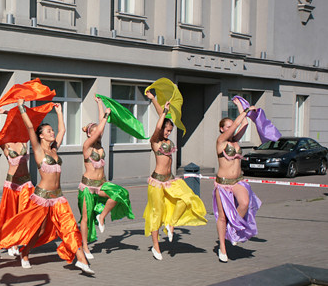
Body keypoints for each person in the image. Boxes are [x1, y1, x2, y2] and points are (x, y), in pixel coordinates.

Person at [0, 99, 93, 274]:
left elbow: (63, 130)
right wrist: (22, 108)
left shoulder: (55, 149)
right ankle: (24, 253)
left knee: (69, 226)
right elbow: (30, 128)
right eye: (48, 131)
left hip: (58, 197)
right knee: (38, 230)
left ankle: (81, 260)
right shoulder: (38, 150)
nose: (52, 132)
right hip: (41, 197)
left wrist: (60, 113)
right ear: (41, 135)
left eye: (52, 130)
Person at [143, 90, 206, 260]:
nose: (169, 133)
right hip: (157, 182)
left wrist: (155, 100)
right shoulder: (155, 141)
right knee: (156, 213)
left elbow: (162, 120)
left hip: (171, 180)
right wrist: (163, 112)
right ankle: (156, 247)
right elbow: (158, 125)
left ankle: (171, 223)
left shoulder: (168, 141)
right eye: (167, 130)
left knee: (187, 199)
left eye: (170, 131)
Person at [78, 96, 134, 258]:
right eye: (94, 132)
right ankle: (85, 247)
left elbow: (100, 129)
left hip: (102, 185)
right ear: (89, 135)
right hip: (88, 187)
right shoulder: (87, 146)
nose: (99, 134)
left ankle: (101, 216)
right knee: (86, 218)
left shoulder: (100, 145)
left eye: (99, 131)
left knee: (119, 194)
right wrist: (105, 117)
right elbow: (99, 129)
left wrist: (99, 104)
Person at [214, 98, 262, 262]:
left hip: (238, 181)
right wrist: (244, 112)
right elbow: (236, 125)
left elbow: (244, 125)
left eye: (230, 126)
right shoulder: (221, 142)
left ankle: (233, 231)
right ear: (222, 129)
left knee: (244, 203)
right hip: (223, 184)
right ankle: (222, 248)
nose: (230, 129)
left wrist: (242, 107)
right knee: (222, 217)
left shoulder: (235, 141)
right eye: (226, 127)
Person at [0, 105, 33, 256]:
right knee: (11, 215)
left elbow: (25, 122)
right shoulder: (6, 145)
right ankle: (12, 244)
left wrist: (8, 112)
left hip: (26, 183)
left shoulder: (24, 141)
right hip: (12, 184)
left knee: (24, 213)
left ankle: (21, 240)